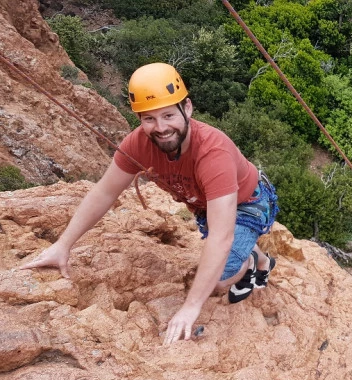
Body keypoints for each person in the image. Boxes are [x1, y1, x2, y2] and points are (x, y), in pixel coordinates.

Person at [20, 63, 278, 345]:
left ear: (187, 108)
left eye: (168, 115)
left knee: (218, 280)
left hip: (248, 203)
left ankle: (252, 260)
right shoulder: (138, 144)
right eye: (149, 119)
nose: (161, 128)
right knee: (223, 248)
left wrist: (190, 307)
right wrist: (63, 245)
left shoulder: (212, 153)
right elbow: (104, 193)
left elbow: (221, 236)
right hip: (203, 202)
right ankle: (258, 257)